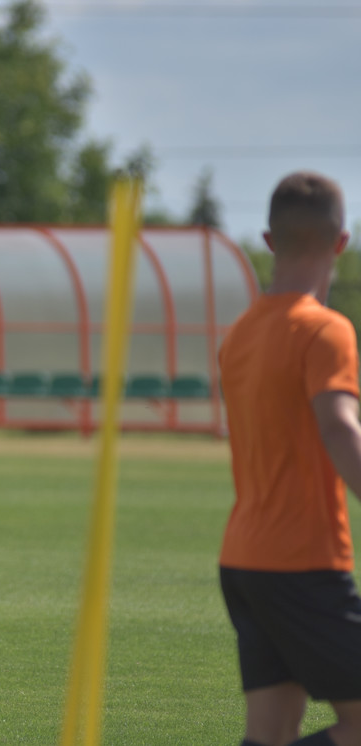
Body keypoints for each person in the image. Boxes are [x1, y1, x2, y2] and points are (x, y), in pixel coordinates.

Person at [218, 171, 361, 746]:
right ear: (341, 243)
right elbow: (338, 425)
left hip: (243, 561)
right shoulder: (325, 332)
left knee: (270, 732)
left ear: (269, 241)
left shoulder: (239, 335)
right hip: (303, 562)